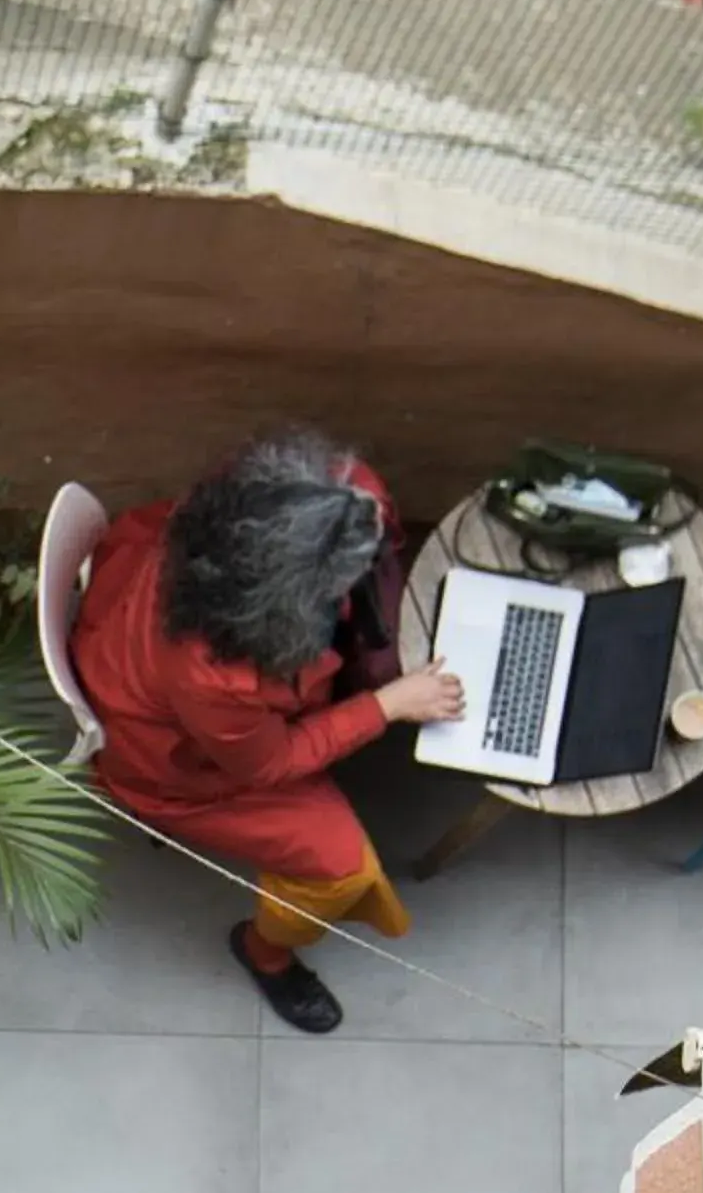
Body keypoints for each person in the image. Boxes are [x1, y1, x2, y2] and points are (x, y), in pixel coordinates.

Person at [70, 430, 466, 1033]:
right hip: (180, 767)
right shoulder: (214, 674)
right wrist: (384, 706)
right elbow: (268, 764)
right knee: (340, 867)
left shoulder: (269, 506)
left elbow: (365, 502)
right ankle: (265, 953)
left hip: (166, 661)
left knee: (382, 659)